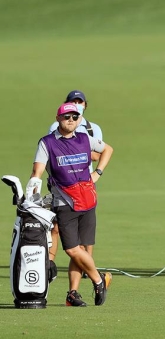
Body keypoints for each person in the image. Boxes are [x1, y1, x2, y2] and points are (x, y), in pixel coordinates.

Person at [28, 102, 114, 306]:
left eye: (75, 117)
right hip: (64, 200)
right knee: (72, 249)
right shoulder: (47, 142)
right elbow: (37, 172)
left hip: (88, 200)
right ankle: (98, 279)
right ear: (58, 118)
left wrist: (97, 172)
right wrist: (33, 194)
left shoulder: (85, 138)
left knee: (83, 248)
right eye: (67, 117)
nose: (71, 120)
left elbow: (108, 149)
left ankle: (72, 294)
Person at [47, 90, 103, 271]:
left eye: (80, 102)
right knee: (55, 226)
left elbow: (97, 155)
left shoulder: (92, 129)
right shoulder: (54, 127)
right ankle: (50, 263)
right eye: (74, 101)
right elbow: (53, 150)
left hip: (85, 183)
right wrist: (81, 150)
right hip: (62, 184)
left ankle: (88, 267)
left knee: (86, 233)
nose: (77, 104)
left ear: (85, 105)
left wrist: (75, 150)